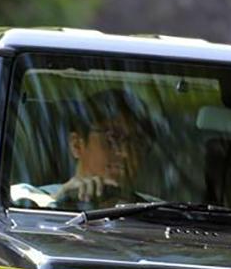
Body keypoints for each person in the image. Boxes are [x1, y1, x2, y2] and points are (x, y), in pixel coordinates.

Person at [11, 89, 157, 209]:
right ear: (77, 145)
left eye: (137, 142)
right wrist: (60, 202)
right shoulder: (25, 197)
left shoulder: (157, 211)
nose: (125, 153)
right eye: (113, 138)